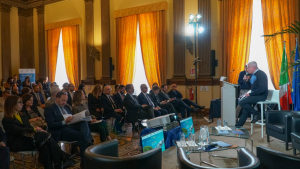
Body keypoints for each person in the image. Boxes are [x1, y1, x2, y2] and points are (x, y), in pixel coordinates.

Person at [2, 96, 75, 169]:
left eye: (22, 102)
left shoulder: (22, 115)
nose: (22, 104)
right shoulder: (7, 119)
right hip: (18, 143)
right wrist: (34, 129)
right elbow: (18, 131)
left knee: (44, 145)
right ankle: (62, 157)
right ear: (12, 104)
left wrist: (35, 129)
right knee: (43, 135)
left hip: (28, 138)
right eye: (19, 102)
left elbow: (28, 127)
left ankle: (56, 164)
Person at [44, 92, 93, 168]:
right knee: (82, 137)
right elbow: (51, 125)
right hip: (60, 130)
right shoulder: (49, 109)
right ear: (57, 98)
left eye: (66, 100)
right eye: (63, 100)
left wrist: (77, 119)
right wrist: (64, 122)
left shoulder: (66, 107)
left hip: (70, 127)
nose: (65, 102)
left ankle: (87, 144)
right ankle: (85, 159)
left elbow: (71, 118)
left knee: (83, 123)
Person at [235, 61, 268, 127]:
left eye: (248, 68)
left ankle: (256, 114)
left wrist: (250, 94)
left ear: (253, 67)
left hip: (261, 96)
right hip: (255, 95)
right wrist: (246, 80)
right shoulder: (253, 75)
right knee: (245, 109)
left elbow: (262, 89)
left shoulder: (261, 74)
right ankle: (238, 125)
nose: (247, 69)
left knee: (241, 102)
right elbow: (251, 87)